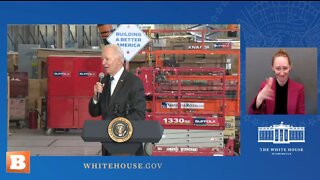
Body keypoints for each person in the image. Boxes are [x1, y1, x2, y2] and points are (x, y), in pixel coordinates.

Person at [88, 44, 146, 155]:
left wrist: (116, 128)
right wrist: (95, 97)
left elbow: (139, 114)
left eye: (107, 59)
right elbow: (94, 112)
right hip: (108, 146)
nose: (103, 63)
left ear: (119, 60)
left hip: (128, 146)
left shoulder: (134, 82)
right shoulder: (103, 81)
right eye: (102, 59)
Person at [248, 49, 305, 114]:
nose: (282, 73)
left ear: (290, 67)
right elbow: (252, 114)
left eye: (285, 68)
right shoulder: (265, 87)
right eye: (278, 68)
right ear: (272, 68)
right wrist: (259, 98)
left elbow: (301, 116)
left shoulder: (299, 89)